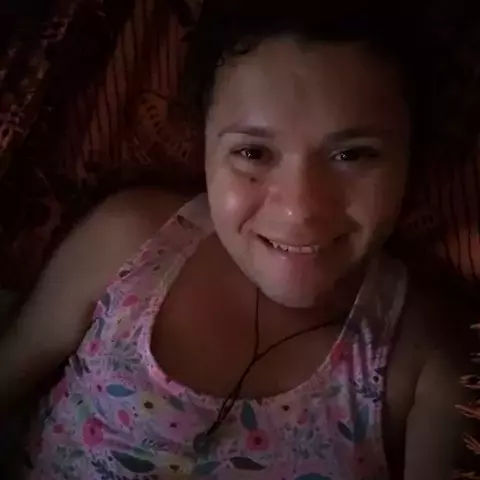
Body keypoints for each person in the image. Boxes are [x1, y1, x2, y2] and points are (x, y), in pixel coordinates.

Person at [0, 1, 476, 478]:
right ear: (203, 146)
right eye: (252, 152)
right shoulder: (129, 240)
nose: (299, 210)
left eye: (352, 155)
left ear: (411, 159)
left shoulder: (426, 366)